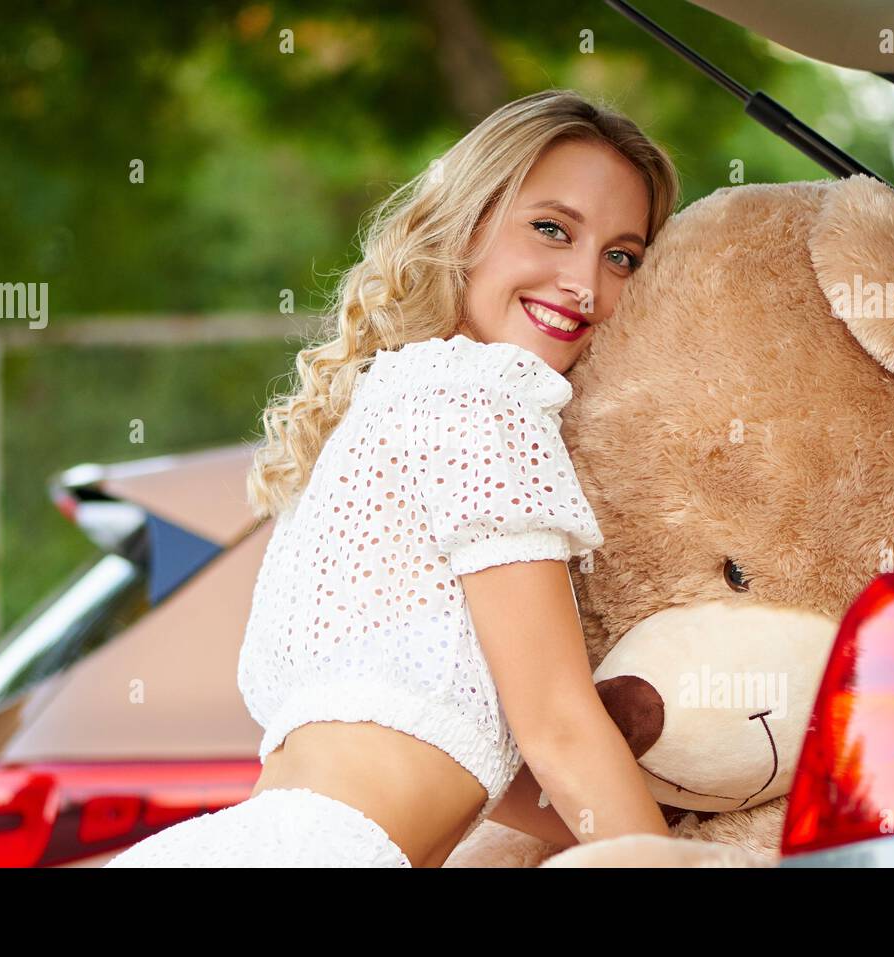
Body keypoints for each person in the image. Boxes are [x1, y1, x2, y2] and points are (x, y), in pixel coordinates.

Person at [104, 88, 680, 868]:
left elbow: (497, 767)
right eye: (551, 228)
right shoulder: (483, 393)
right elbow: (557, 725)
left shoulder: (381, 411)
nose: (584, 283)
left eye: (622, 257)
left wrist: (698, 835)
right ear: (467, 225)